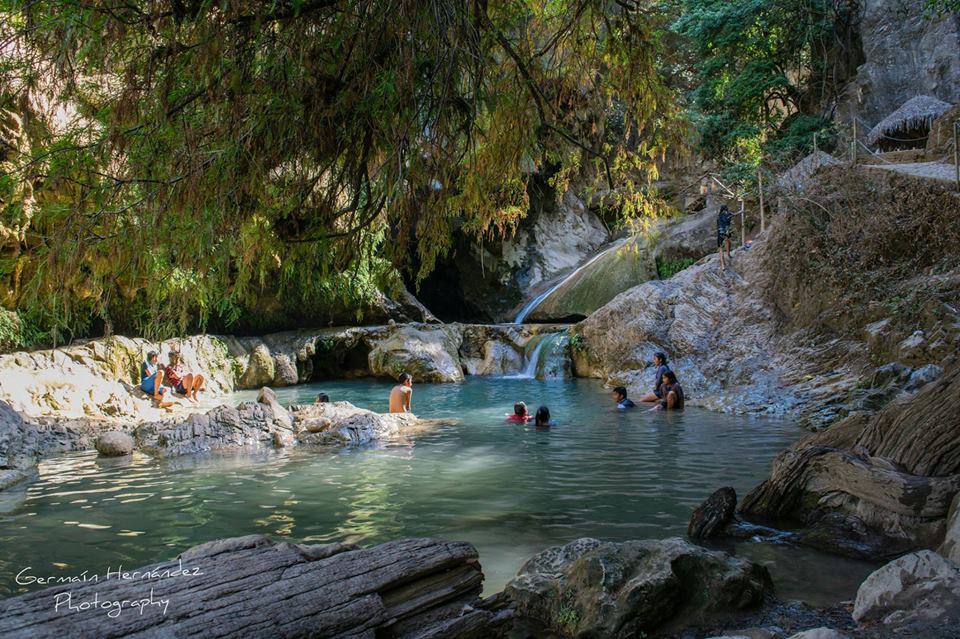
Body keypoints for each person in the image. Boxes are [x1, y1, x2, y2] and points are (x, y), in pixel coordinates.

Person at [717, 204, 741, 270]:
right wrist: (741, 211)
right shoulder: (728, 214)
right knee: (728, 241)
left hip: (720, 232)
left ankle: (723, 265)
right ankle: (728, 254)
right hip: (727, 232)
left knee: (721, 249)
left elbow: (718, 225)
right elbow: (735, 214)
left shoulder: (719, 216)